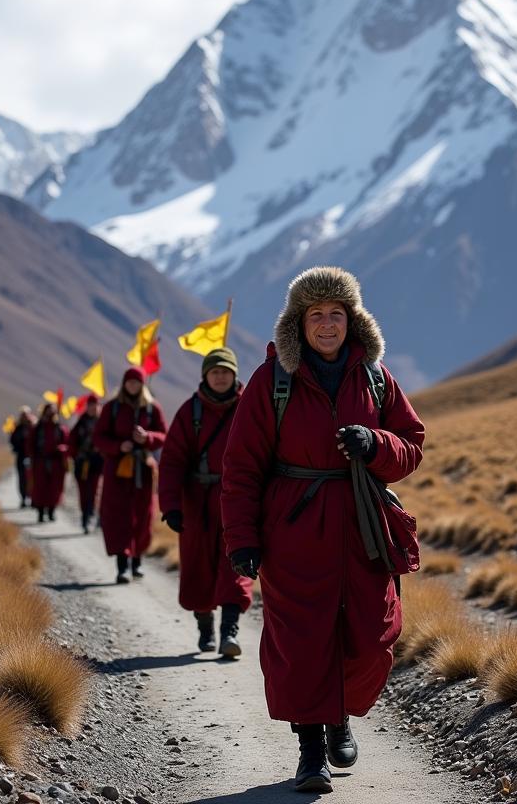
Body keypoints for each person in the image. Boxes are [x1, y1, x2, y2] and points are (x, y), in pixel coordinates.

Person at [221, 267, 424, 793]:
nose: (328, 325)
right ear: (299, 322)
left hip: (363, 527)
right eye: (317, 315)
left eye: (337, 314)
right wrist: (242, 538)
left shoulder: (376, 377)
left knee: (370, 635)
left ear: (352, 319)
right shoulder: (273, 383)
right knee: (302, 640)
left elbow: (411, 443)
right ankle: (310, 751)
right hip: (294, 529)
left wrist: (376, 444)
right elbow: (241, 467)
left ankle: (340, 717)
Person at [159, 347, 253, 658]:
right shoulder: (190, 412)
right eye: (215, 371)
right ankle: (205, 626)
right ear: (205, 376)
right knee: (198, 568)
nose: (221, 376)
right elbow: (172, 461)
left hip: (237, 500)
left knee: (235, 562)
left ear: (234, 374)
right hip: (196, 503)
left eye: (226, 371)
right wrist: (170, 505)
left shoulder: (248, 408)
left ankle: (230, 631)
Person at [94, 366, 168, 584]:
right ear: (124, 384)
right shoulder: (111, 408)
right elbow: (98, 438)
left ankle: (137, 560)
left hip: (143, 471)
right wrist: (119, 446)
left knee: (143, 515)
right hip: (117, 471)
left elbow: (164, 435)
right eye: (130, 382)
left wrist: (147, 438)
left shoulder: (152, 409)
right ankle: (122, 565)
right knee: (118, 516)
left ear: (142, 385)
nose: (133, 386)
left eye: (137, 382)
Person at [27, 402, 70, 523]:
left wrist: (62, 449)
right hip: (40, 462)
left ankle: (51, 511)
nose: (50, 414)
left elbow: (67, 444)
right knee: (40, 487)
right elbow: (30, 445)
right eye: (48, 411)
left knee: (54, 488)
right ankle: (40, 512)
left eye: (52, 411)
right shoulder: (38, 428)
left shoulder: (60, 429)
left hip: (56, 463)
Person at [69, 395, 104, 534]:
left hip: (97, 462)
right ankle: (84, 516)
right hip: (82, 462)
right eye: (90, 405)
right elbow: (72, 442)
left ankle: (90, 515)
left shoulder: (102, 423)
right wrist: (76, 455)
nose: (93, 408)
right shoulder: (80, 423)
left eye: (95, 405)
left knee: (94, 490)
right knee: (83, 491)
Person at [10, 407, 35, 507]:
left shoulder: (34, 426)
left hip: (32, 457)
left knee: (32, 478)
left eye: (26, 414)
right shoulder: (18, 428)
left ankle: (33, 498)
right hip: (21, 457)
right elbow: (12, 440)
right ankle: (23, 498)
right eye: (23, 415)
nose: (25, 417)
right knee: (22, 478)